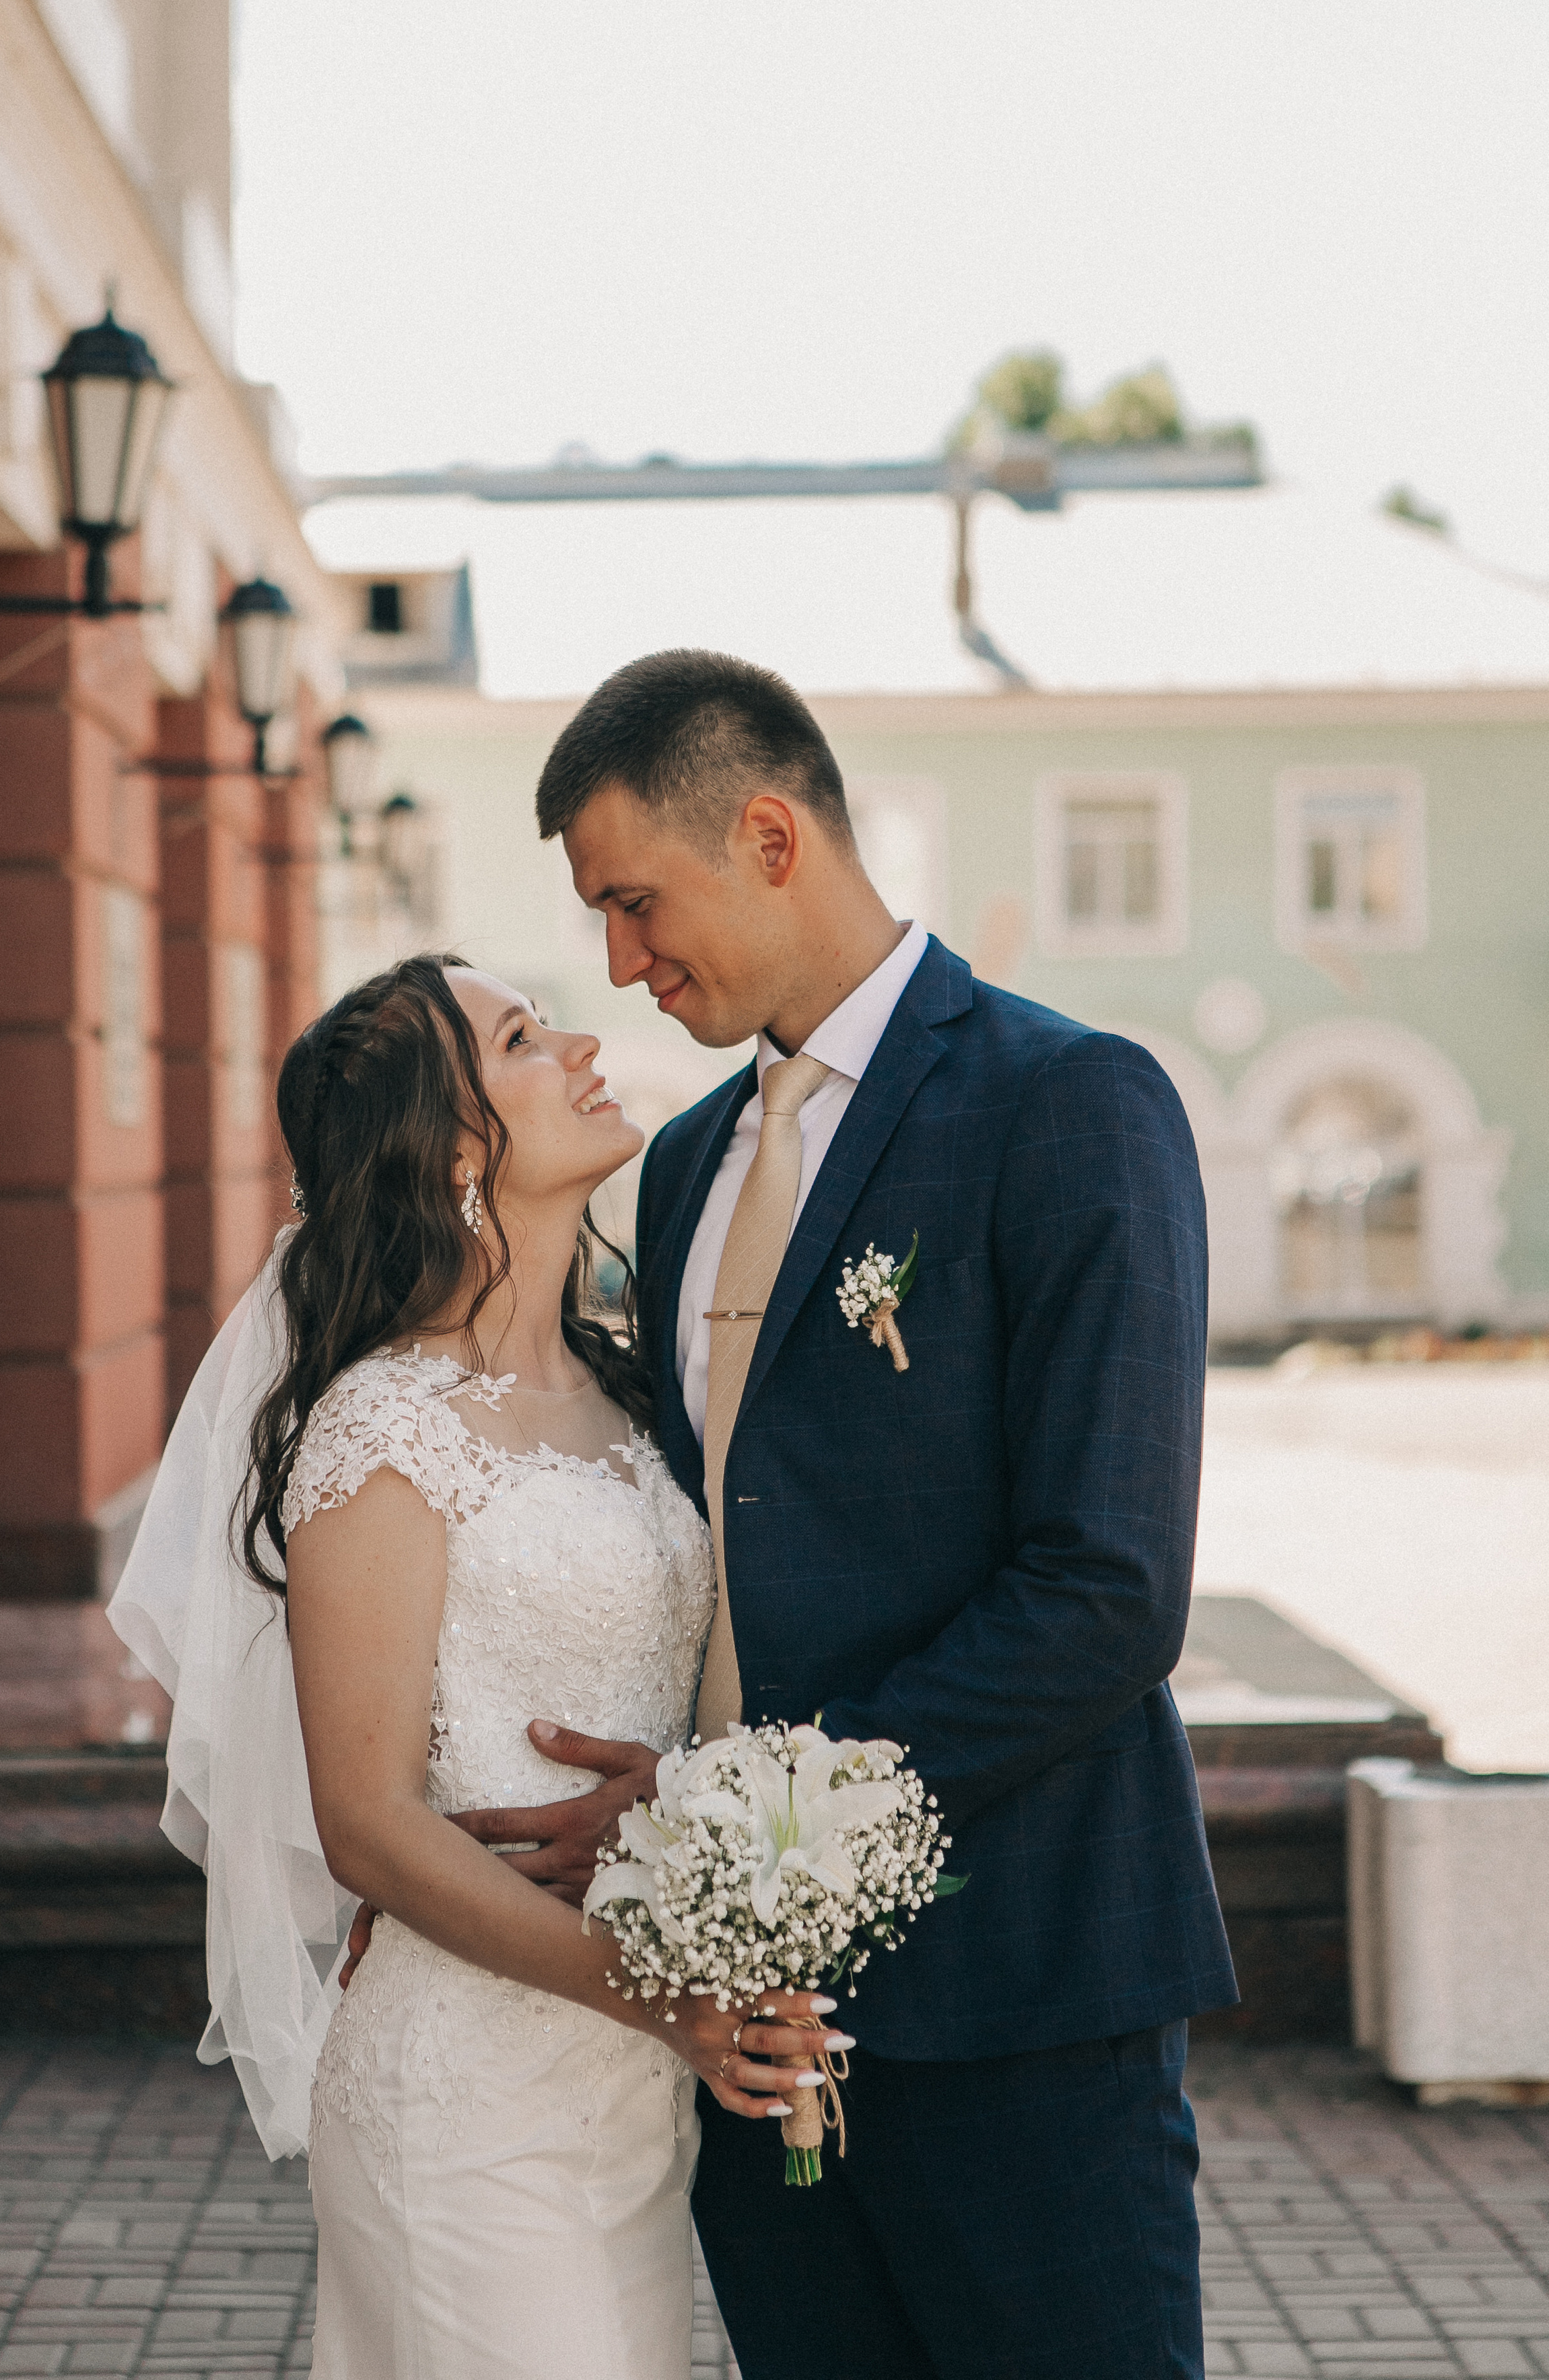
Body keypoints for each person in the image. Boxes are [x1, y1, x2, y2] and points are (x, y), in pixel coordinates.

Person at [355, 650, 1238, 2379]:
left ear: (768, 834)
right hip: (746, 2041)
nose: (616, 957)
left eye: (632, 897)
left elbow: (1107, 1585)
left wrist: (731, 1816)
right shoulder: (679, 1169)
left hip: (1021, 1993)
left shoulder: (1066, 1105)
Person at [113, 953, 844, 2380]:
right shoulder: (381, 1428)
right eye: (521, 1035)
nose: (579, 1039)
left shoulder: (633, 1398)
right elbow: (370, 1820)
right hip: (470, 2097)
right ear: (456, 1148)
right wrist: (661, 1995)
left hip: (629, 2100)